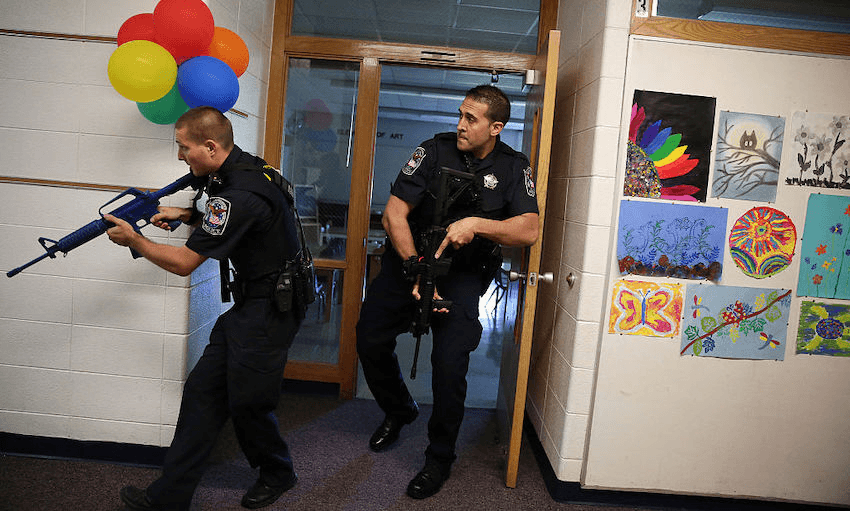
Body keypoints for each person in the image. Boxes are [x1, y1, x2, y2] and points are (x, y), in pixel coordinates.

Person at [108, 106, 306, 511]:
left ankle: (278, 472)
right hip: (255, 301)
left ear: (211, 146)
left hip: (273, 307)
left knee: (248, 401)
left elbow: (184, 264)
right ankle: (169, 497)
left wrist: (135, 241)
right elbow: (237, 222)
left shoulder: (239, 192)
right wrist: (187, 214)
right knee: (203, 391)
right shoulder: (244, 170)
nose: (181, 156)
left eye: (185, 148)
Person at [356, 85, 539, 499]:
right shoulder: (434, 151)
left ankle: (439, 457)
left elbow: (528, 229)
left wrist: (477, 223)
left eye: (471, 119)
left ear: (495, 127)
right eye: (461, 115)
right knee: (369, 339)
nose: (460, 125)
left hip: (462, 277)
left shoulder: (512, 167)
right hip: (409, 263)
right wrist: (417, 272)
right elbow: (394, 214)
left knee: (449, 366)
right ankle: (400, 409)